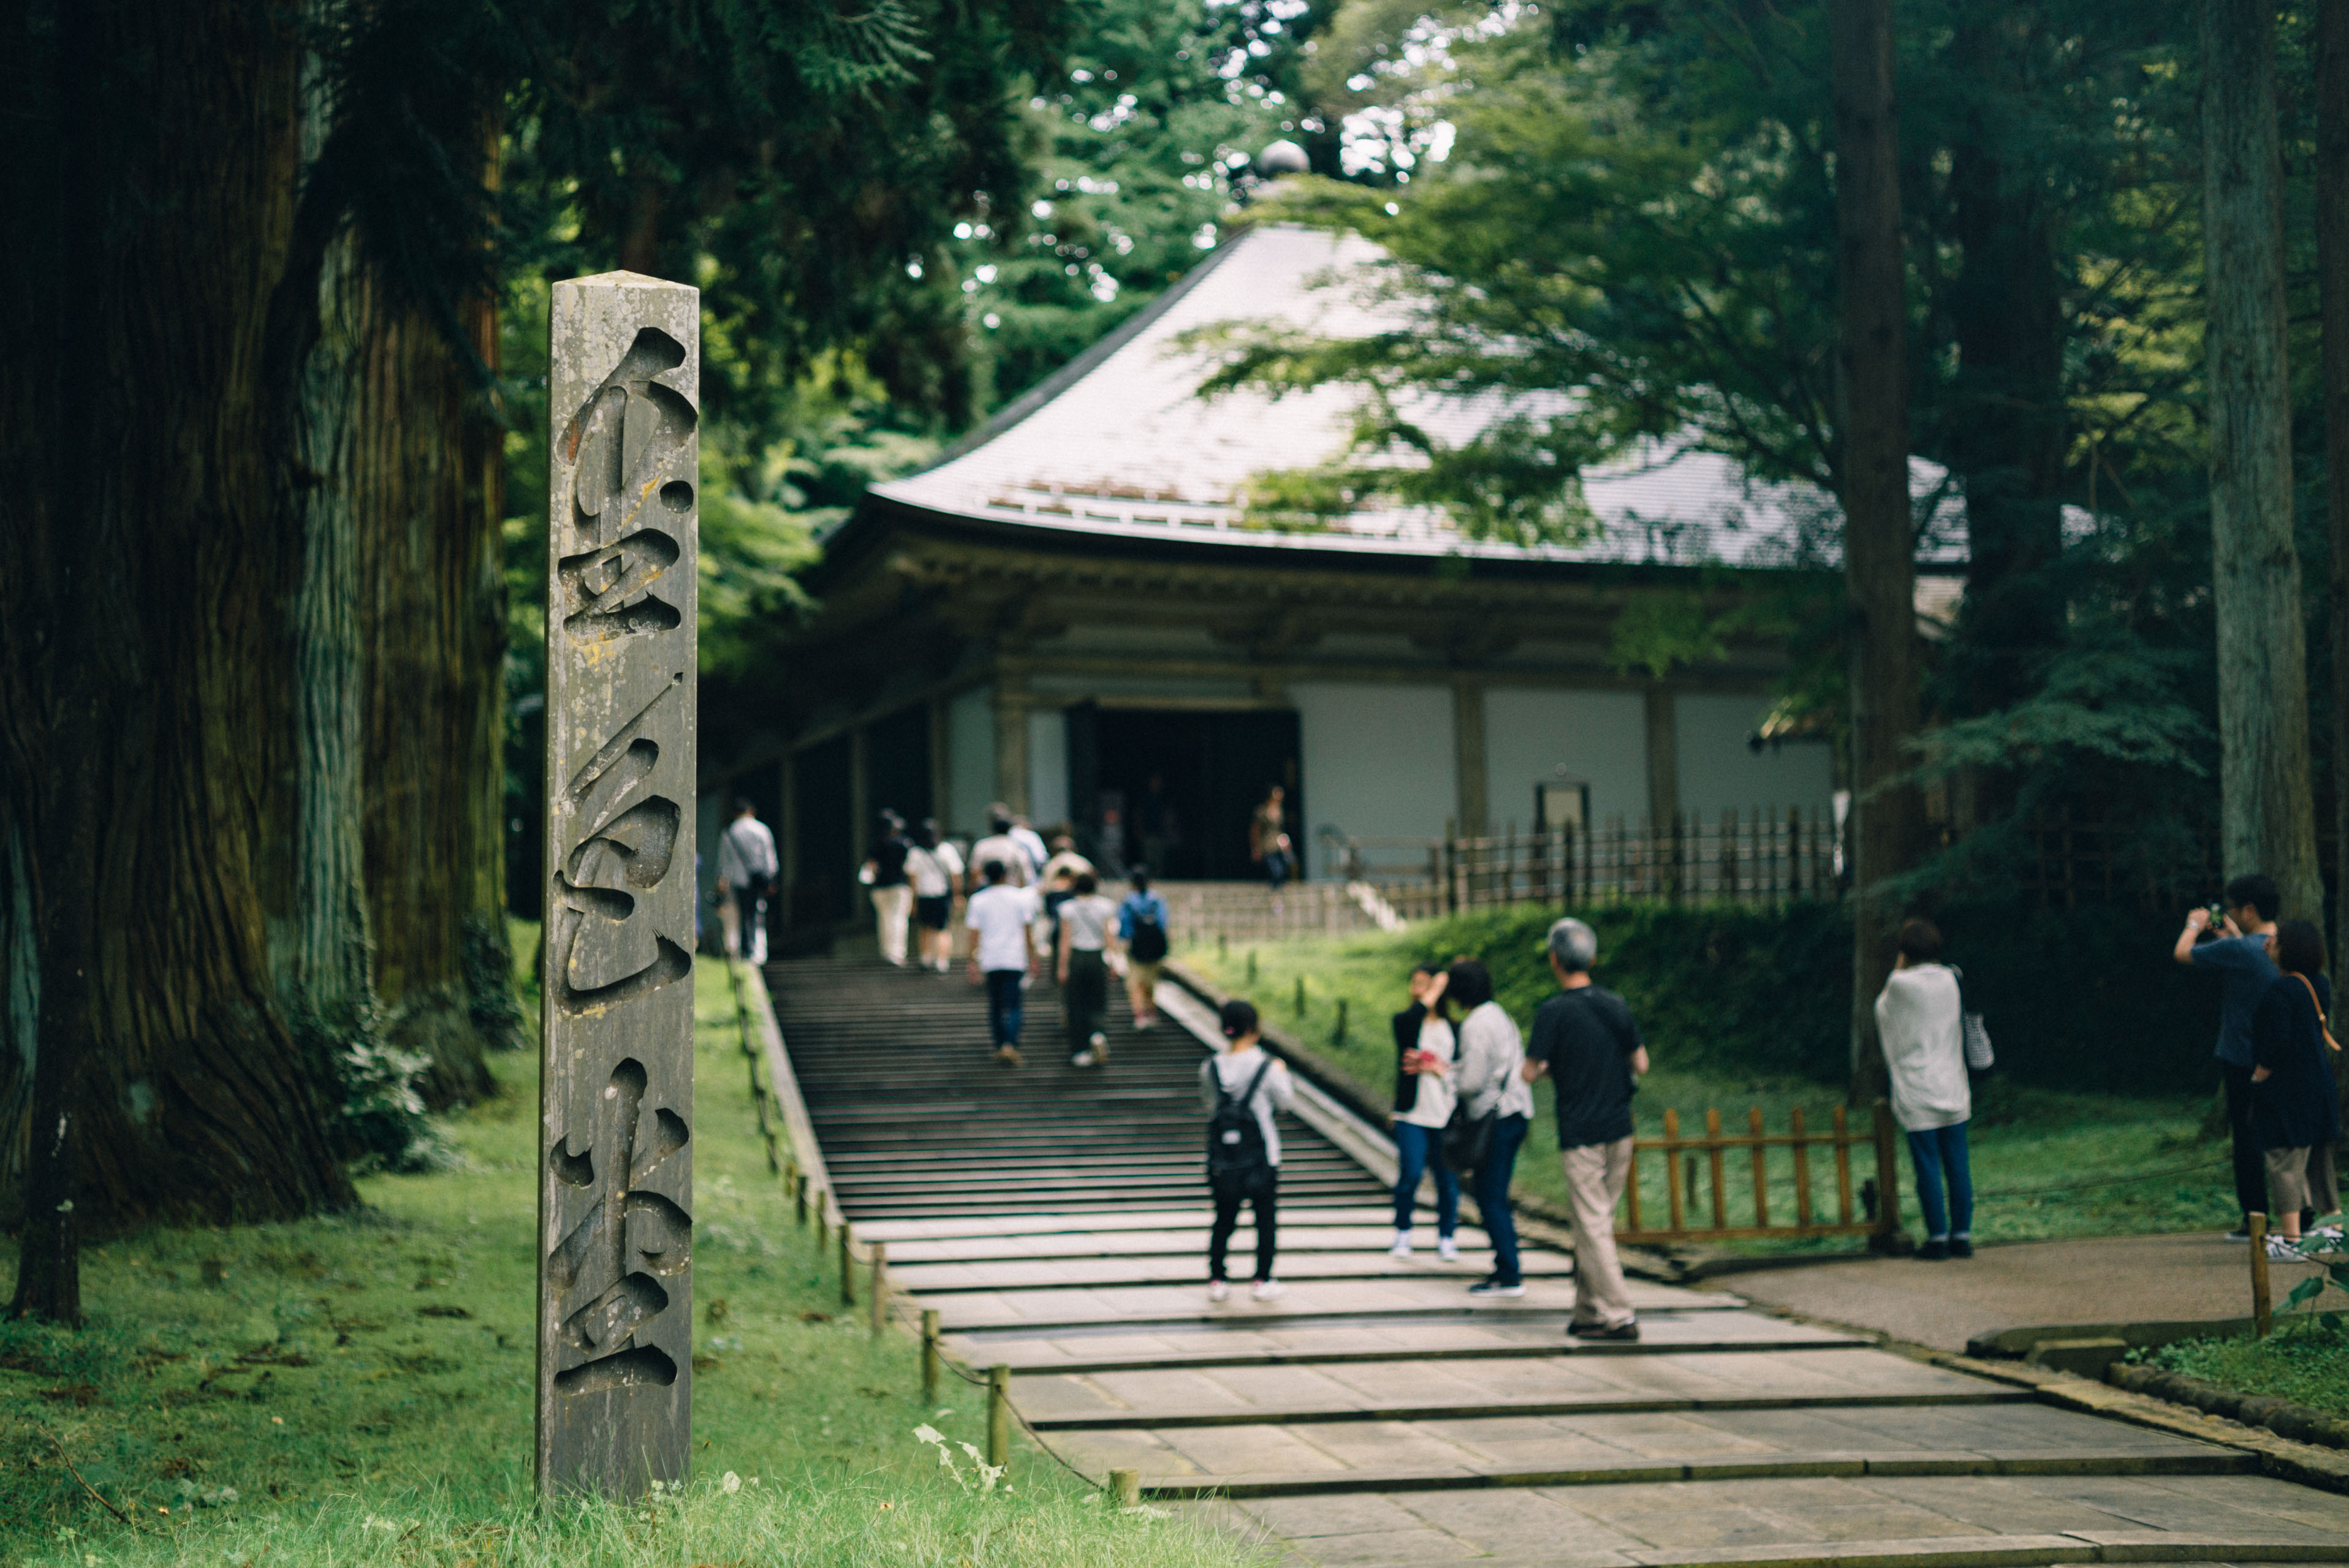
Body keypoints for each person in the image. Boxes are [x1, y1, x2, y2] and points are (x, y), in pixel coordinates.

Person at [1522, 917, 1646, 1340]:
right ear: (1591, 958)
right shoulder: (1616, 1004)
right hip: (1619, 1127)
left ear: (1554, 960)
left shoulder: (1552, 1012)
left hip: (1580, 1132)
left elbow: (1528, 1071)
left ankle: (1619, 1314)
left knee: (1592, 1224)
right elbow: (1641, 1063)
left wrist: (1554, 1068)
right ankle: (1588, 1311)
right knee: (1595, 1222)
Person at [2176, 873, 2283, 1240]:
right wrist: (2232, 937)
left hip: (2241, 1057)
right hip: (2280, 1055)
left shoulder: (2238, 951)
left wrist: (2195, 925)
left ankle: (2255, 1218)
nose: (2231, 914)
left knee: (2247, 1139)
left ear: (2249, 910)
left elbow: (2182, 953)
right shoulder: (2280, 944)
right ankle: (2302, 1215)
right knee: (2285, 1134)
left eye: (2234, 909)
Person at [1876, 918, 1973, 1260]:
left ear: (1904, 951)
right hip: (1953, 1083)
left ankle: (1938, 1238)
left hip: (1918, 1088)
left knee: (1928, 1166)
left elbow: (1882, 1009)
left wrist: (1898, 966)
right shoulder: (1951, 978)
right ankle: (1962, 1236)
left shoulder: (1901, 984)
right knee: (1958, 1163)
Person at [2250, 918, 2343, 1256]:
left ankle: (2291, 1240)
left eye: (2276, 939)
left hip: (2289, 1089)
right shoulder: (2319, 984)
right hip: (2320, 1084)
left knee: (2284, 1160)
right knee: (2320, 1161)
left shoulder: (2279, 991)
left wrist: (2260, 1073)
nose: (2269, 942)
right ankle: (2333, 1232)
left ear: (2288, 948)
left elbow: (2277, 1040)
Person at [1450, 958, 1535, 1297]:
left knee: (1490, 1196)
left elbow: (1471, 1082)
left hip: (1496, 1117)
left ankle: (1509, 1272)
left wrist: (1444, 1076)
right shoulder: (1500, 1016)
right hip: (1515, 1111)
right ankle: (1507, 1267)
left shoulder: (1475, 1025)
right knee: (1493, 1193)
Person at [1201, 999, 1294, 1302]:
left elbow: (1211, 1107)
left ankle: (1217, 1278)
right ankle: (1262, 1278)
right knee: (1265, 1218)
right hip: (1262, 1155)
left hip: (1223, 1157)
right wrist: (1282, 1073)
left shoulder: (1210, 1067)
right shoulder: (1267, 1066)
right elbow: (1285, 1104)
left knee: (1223, 1218)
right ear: (1255, 1029)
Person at [1386, 964, 1461, 1260]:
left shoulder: (1454, 1027)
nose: (1418, 990)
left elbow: (1462, 1067)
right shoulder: (1406, 1022)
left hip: (1445, 1112)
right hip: (1412, 1114)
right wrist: (1432, 990)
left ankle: (1447, 1236)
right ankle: (1403, 1232)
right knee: (1411, 1174)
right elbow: (1411, 1018)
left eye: (1425, 984)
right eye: (1414, 984)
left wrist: (1435, 1066)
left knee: (1447, 1180)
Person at [965, 860, 1039, 1066]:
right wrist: (1033, 956)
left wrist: (971, 960)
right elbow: (1027, 931)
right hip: (1014, 957)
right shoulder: (1019, 898)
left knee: (996, 1004)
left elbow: (973, 933)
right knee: (1015, 1003)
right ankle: (1010, 1044)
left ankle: (1000, 1045)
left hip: (990, 958)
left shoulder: (978, 900)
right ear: (1005, 875)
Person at [1057, 872, 1121, 1067]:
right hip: (1097, 957)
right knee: (1098, 1000)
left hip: (1077, 957)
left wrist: (1062, 968)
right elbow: (1109, 938)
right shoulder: (1106, 906)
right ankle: (1097, 1035)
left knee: (1076, 1004)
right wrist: (1114, 962)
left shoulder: (1067, 908)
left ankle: (1080, 1050)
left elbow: (1065, 941)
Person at [714, 798, 778, 966]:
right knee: (758, 912)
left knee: (743, 914)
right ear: (751, 811)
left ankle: (745, 950)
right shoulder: (762, 829)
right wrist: (771, 879)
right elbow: (770, 856)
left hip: (739, 879)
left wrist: (722, 879)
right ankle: (758, 951)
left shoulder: (729, 832)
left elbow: (724, 861)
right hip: (758, 879)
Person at [906, 819, 965, 974]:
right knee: (943, 929)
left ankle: (926, 958)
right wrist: (957, 895)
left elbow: (913, 878)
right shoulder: (947, 850)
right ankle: (942, 961)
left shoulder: (916, 853)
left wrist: (913, 901)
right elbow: (956, 875)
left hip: (923, 895)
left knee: (925, 928)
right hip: (941, 894)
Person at [1118, 866, 1171, 1029]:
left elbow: (1124, 927)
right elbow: (1163, 924)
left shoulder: (1128, 902)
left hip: (1136, 948)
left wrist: (1123, 942)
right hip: (1154, 947)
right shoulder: (1157, 900)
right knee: (1151, 982)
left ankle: (1139, 1015)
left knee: (1135, 983)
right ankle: (1151, 1012)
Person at [860, 810, 914, 966]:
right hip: (899, 886)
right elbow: (909, 868)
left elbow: (871, 866)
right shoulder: (904, 843)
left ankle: (886, 951)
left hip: (879, 887)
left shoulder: (875, 843)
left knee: (884, 919)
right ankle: (897, 953)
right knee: (898, 918)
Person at [971, 807, 1033, 888]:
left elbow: (975, 873)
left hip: (988, 892)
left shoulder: (982, 846)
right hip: (1012, 891)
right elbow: (1025, 876)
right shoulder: (1016, 847)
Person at [1249, 785, 1292, 893]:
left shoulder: (1279, 810)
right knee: (1275, 870)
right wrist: (1256, 847)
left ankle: (1278, 893)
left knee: (1283, 870)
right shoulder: (1262, 811)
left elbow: (1280, 829)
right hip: (1268, 845)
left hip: (1279, 845)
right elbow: (1255, 830)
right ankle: (1274, 893)